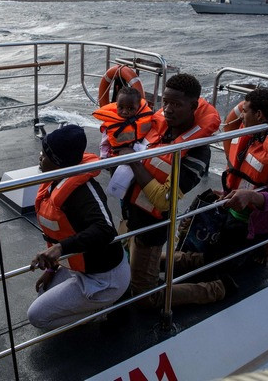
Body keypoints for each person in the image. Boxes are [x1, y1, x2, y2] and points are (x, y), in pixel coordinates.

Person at [164, 88, 268, 305]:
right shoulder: (250, 134)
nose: (241, 116)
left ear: (259, 115)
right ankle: (167, 262)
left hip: (251, 225)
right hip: (228, 210)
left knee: (216, 269)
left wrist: (250, 197)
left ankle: (165, 297)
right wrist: (229, 194)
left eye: (245, 111)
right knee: (206, 252)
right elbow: (240, 174)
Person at [117, 73, 220, 308]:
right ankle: (192, 261)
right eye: (165, 102)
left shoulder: (197, 152)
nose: (168, 109)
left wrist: (134, 161)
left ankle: (214, 289)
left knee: (144, 297)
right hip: (130, 214)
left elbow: (164, 200)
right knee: (128, 261)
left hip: (151, 227)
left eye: (176, 104)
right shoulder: (159, 127)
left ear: (193, 106)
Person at [28, 124, 130, 330]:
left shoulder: (83, 192)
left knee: (37, 317)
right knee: (43, 293)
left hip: (104, 278)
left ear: (58, 163)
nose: (40, 158)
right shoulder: (54, 183)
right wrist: (51, 268)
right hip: (79, 269)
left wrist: (60, 248)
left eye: (44, 154)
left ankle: (102, 306)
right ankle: (91, 302)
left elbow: (105, 230)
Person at [92, 86, 154, 158]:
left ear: (139, 106)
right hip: (118, 154)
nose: (124, 112)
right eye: (121, 108)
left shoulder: (145, 117)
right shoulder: (111, 125)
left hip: (140, 149)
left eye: (130, 108)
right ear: (116, 105)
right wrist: (104, 157)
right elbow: (104, 144)